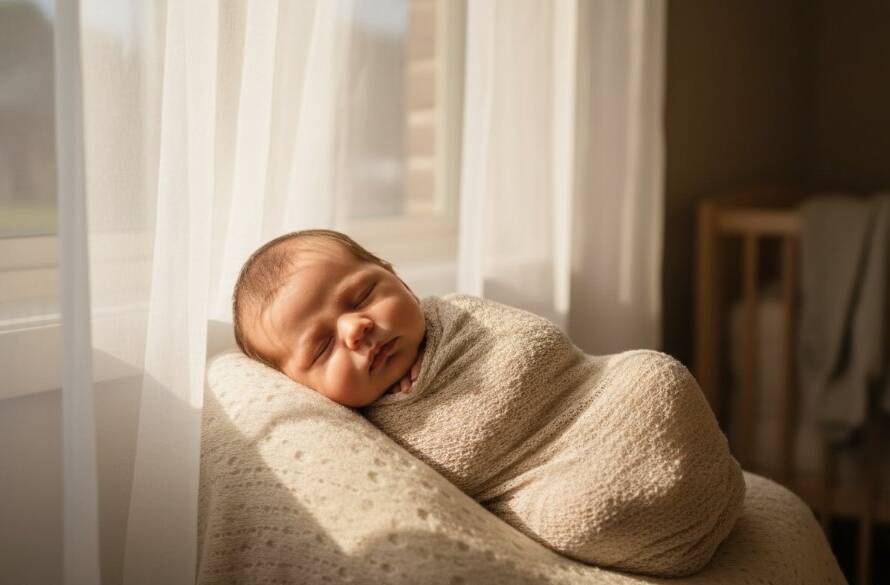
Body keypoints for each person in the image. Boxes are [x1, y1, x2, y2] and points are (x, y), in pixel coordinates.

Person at [232, 229, 427, 408]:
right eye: (323, 347)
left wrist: (431, 354)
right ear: (300, 386)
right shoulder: (338, 428)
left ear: (399, 281)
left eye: (362, 298)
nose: (354, 328)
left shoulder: (454, 317)